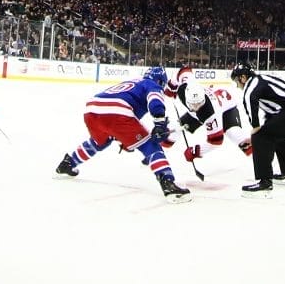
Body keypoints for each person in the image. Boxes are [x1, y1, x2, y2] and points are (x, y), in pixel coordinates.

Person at [55, 65, 190, 202]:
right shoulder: (151, 84)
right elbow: (155, 100)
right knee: (150, 145)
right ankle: (168, 183)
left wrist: (124, 139)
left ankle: (68, 163)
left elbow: (123, 124)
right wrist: (160, 123)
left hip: (92, 109)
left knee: (100, 141)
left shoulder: (132, 82)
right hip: (117, 111)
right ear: (160, 81)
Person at [231, 63, 285, 194]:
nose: (237, 85)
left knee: (260, 137)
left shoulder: (250, 87)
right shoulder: (263, 79)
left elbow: (253, 114)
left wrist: (255, 134)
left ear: (243, 77)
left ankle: (264, 183)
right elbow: (272, 117)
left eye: (237, 81)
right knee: (275, 132)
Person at [171, 68, 252, 167]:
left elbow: (216, 141)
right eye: (193, 104)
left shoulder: (210, 113)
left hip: (227, 108)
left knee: (234, 134)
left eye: (199, 103)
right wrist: (171, 85)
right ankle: (158, 152)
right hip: (209, 102)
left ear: (203, 99)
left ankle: (263, 164)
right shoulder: (183, 90)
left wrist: (196, 151)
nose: (196, 107)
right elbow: (185, 71)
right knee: (177, 127)